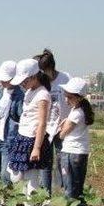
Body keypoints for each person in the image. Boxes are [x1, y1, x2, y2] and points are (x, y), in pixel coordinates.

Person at [7, 58, 52, 206]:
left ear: (34, 76)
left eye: (24, 81)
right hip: (22, 137)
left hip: (33, 140)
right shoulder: (29, 92)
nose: (22, 84)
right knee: (16, 175)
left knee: (31, 178)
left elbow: (42, 123)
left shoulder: (43, 95)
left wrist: (37, 148)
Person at [35, 48, 71, 194]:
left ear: (51, 68)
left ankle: (67, 193)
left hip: (62, 128)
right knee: (45, 164)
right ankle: (45, 197)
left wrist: (69, 121)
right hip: (45, 128)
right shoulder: (40, 83)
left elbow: (76, 99)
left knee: (63, 162)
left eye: (44, 72)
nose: (42, 75)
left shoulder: (65, 78)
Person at [58, 77, 93, 206]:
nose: (66, 100)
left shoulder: (77, 113)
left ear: (78, 98)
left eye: (69, 97)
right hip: (79, 152)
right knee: (77, 187)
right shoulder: (79, 110)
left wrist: (60, 130)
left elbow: (63, 133)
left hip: (72, 152)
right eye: (65, 96)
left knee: (70, 187)